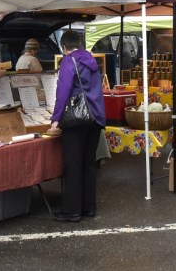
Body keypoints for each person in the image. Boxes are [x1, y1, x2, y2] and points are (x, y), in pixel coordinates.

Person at [50, 30, 105, 222]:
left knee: (73, 165)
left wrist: (56, 119)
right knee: (89, 164)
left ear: (64, 47)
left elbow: (63, 91)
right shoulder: (91, 60)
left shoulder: (68, 61)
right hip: (95, 118)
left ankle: (72, 211)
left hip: (75, 118)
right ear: (80, 43)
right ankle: (89, 207)